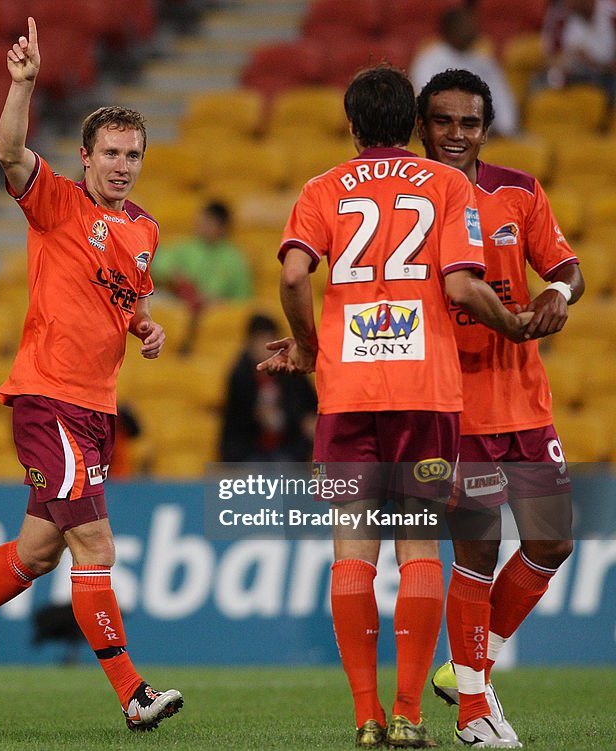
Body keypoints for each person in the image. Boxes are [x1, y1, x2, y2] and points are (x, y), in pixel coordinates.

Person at [0, 17, 183, 734]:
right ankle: (133, 693)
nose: (122, 165)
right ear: (84, 158)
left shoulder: (143, 231)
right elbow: (8, 150)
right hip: (48, 398)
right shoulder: (57, 204)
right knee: (98, 547)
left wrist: (146, 327)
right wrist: (21, 85)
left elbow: (127, 302)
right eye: (110, 152)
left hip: (95, 408)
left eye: (133, 154)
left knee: (37, 552)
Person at [258, 64, 534, 749]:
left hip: (348, 391)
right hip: (423, 391)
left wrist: (306, 343)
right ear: (414, 124)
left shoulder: (322, 187)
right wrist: (515, 324)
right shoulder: (448, 185)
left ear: (351, 127)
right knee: (417, 546)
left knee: (352, 548)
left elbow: (294, 273)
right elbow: (464, 285)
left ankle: (366, 718)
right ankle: (410, 714)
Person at [417, 68, 583, 748]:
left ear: (486, 127)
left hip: (527, 401)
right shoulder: (414, 205)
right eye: (444, 122)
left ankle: (466, 665)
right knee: (477, 554)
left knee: (552, 541)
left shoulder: (520, 191)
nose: (457, 134)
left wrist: (559, 297)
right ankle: (474, 711)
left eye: (470, 122)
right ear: (422, 127)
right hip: (454, 409)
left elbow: (568, 268)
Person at [409, 5, 520, 136]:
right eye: (464, 25)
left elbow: (502, 100)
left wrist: (505, 128)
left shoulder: (484, 61)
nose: (472, 29)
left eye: (472, 23)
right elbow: (430, 103)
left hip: (489, 135)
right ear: (449, 29)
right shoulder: (429, 60)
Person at [219, 313, 316, 463]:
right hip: (250, 451)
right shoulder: (240, 375)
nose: (264, 348)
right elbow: (234, 422)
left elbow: (308, 408)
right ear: (250, 343)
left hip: (289, 449)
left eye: (269, 341)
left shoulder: (292, 371)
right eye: (260, 341)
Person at [150, 199, 252, 315]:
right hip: (179, 304)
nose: (201, 225)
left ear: (222, 227)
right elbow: (159, 266)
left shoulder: (235, 259)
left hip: (215, 311)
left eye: (208, 222)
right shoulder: (185, 246)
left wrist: (218, 301)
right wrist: (176, 277)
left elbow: (243, 299)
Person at [539, 0, 616, 101]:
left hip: (608, 77)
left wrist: (595, 63)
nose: (567, 4)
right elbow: (548, 58)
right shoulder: (560, 16)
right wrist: (565, 61)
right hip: (573, 77)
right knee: (543, 86)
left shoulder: (612, 15)